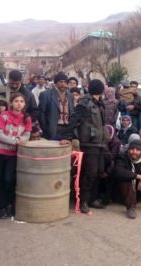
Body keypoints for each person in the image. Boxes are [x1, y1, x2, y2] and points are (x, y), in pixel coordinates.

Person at [61, 79, 109, 213]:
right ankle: (83, 201)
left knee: (98, 173)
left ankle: (93, 199)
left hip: (99, 143)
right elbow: (73, 120)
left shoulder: (99, 103)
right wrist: (67, 137)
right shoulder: (85, 103)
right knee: (89, 173)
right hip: (89, 143)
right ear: (101, 90)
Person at [0, 93, 32, 218]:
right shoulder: (4, 116)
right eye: (16, 101)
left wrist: (20, 139)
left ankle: (10, 204)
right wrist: (15, 141)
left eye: (21, 101)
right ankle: (2, 207)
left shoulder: (27, 118)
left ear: (25, 104)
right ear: (11, 103)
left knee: (9, 180)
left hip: (13, 154)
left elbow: (27, 135)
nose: (19, 103)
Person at [38, 72, 75, 140]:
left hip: (67, 129)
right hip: (53, 128)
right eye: (60, 82)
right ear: (55, 83)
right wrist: (45, 129)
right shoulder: (46, 95)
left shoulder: (70, 95)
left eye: (64, 82)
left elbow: (72, 113)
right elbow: (41, 114)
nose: (63, 84)